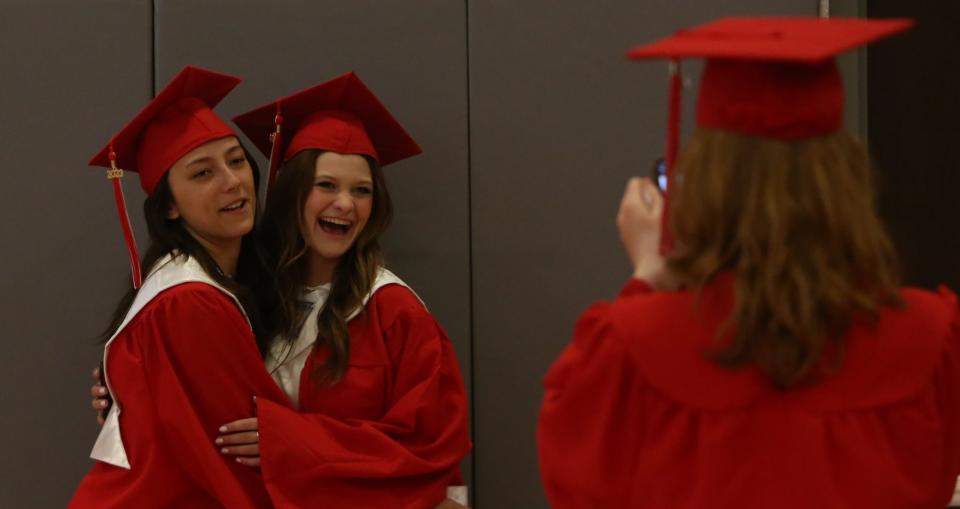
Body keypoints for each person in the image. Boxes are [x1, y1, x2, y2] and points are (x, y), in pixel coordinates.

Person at [537, 17, 960, 509]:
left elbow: (578, 488)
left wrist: (649, 277)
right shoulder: (930, 339)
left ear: (704, 183)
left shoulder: (628, 349)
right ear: (847, 178)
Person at [90, 72, 472, 509]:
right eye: (325, 185)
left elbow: (429, 449)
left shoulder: (394, 311)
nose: (344, 203)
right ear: (292, 192)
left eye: (361, 190)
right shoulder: (243, 294)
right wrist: (130, 394)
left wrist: (293, 441)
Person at [70, 66, 292, 508]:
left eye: (235, 160)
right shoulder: (190, 301)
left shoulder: (214, 283)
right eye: (202, 173)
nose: (232, 181)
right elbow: (239, 448)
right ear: (169, 207)